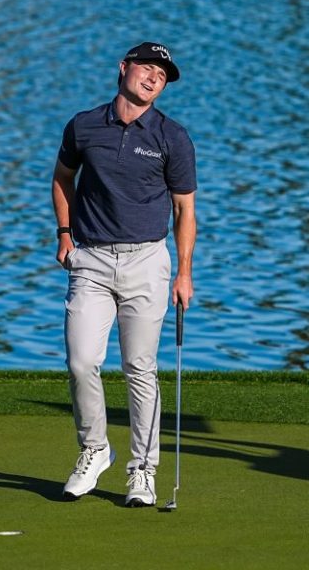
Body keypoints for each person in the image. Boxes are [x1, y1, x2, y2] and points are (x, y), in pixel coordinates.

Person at [51, 42, 197, 507]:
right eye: (147, 68)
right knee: (81, 361)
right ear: (124, 68)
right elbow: (62, 177)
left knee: (139, 367)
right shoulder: (84, 125)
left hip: (147, 262)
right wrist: (64, 234)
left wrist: (184, 273)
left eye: (162, 75)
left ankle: (143, 470)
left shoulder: (172, 137)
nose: (154, 78)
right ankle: (95, 449)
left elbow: (184, 210)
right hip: (90, 260)